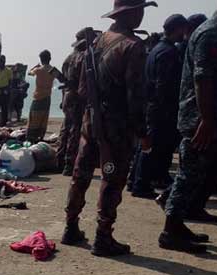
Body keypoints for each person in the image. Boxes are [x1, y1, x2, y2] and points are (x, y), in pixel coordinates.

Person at [62, 0, 156, 257]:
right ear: (131, 13)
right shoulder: (132, 46)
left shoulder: (95, 42)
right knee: (112, 178)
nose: (141, 15)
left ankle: (71, 227)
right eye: (140, 10)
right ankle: (103, 237)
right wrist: (142, 132)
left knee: (81, 174)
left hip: (90, 120)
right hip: (116, 126)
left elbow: (82, 89)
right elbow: (136, 96)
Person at [159, 0, 217, 253]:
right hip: (200, 120)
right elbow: (202, 78)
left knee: (201, 173)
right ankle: (170, 231)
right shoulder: (211, 33)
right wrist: (206, 119)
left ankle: (177, 225)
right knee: (189, 174)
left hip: (214, 118)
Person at [130, 14, 189, 199]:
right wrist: (169, 109)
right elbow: (164, 85)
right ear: (177, 29)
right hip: (161, 108)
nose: (184, 34)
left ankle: (135, 181)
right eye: (183, 30)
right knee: (152, 147)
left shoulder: (157, 49)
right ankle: (140, 185)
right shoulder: (168, 52)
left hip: (153, 105)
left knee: (147, 145)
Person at [58, 29, 90, 175]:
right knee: (75, 130)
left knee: (65, 128)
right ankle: (69, 164)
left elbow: (64, 80)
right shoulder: (84, 57)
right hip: (77, 96)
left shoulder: (68, 58)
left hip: (67, 96)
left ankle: (60, 159)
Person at [26, 50, 65, 142]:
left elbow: (29, 73)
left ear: (41, 59)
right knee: (44, 117)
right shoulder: (52, 70)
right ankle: (40, 136)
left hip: (37, 96)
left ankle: (31, 137)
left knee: (34, 117)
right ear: (50, 58)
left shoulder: (38, 70)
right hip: (47, 97)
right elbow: (62, 79)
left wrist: (35, 66)